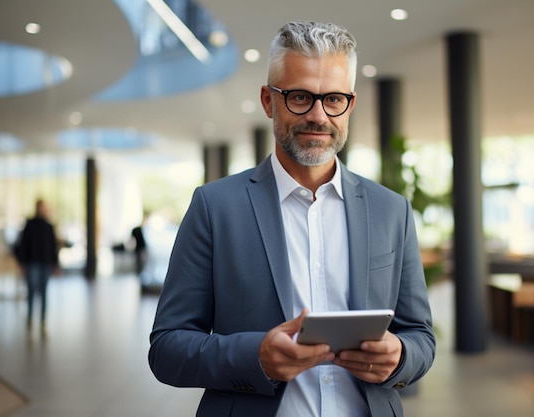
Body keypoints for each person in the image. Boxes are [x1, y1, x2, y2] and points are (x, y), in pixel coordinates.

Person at [149, 20, 435, 417]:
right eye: (300, 97)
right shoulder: (215, 208)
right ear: (269, 101)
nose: (318, 116)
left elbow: (421, 336)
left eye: (333, 99)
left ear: (350, 103)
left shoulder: (391, 209)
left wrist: (402, 356)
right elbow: (167, 349)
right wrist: (256, 356)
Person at [16, 198, 59, 332]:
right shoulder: (29, 225)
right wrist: (23, 263)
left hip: (45, 263)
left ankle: (43, 322)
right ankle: (29, 320)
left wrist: (55, 264)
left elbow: (53, 246)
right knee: (31, 292)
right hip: (32, 263)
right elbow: (22, 245)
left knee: (44, 293)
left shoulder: (48, 226)